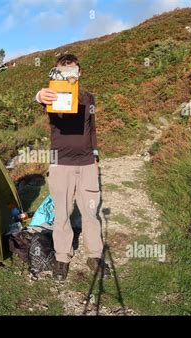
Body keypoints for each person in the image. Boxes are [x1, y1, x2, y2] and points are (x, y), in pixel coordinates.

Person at [35, 53, 110, 281]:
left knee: (90, 212)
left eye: (72, 70)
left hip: (87, 163)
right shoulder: (52, 96)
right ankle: (62, 258)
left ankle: (94, 255)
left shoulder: (89, 98)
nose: (68, 74)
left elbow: (93, 129)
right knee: (62, 213)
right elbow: (40, 98)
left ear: (79, 72)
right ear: (57, 72)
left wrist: (95, 157)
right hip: (60, 164)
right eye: (63, 70)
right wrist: (39, 95)